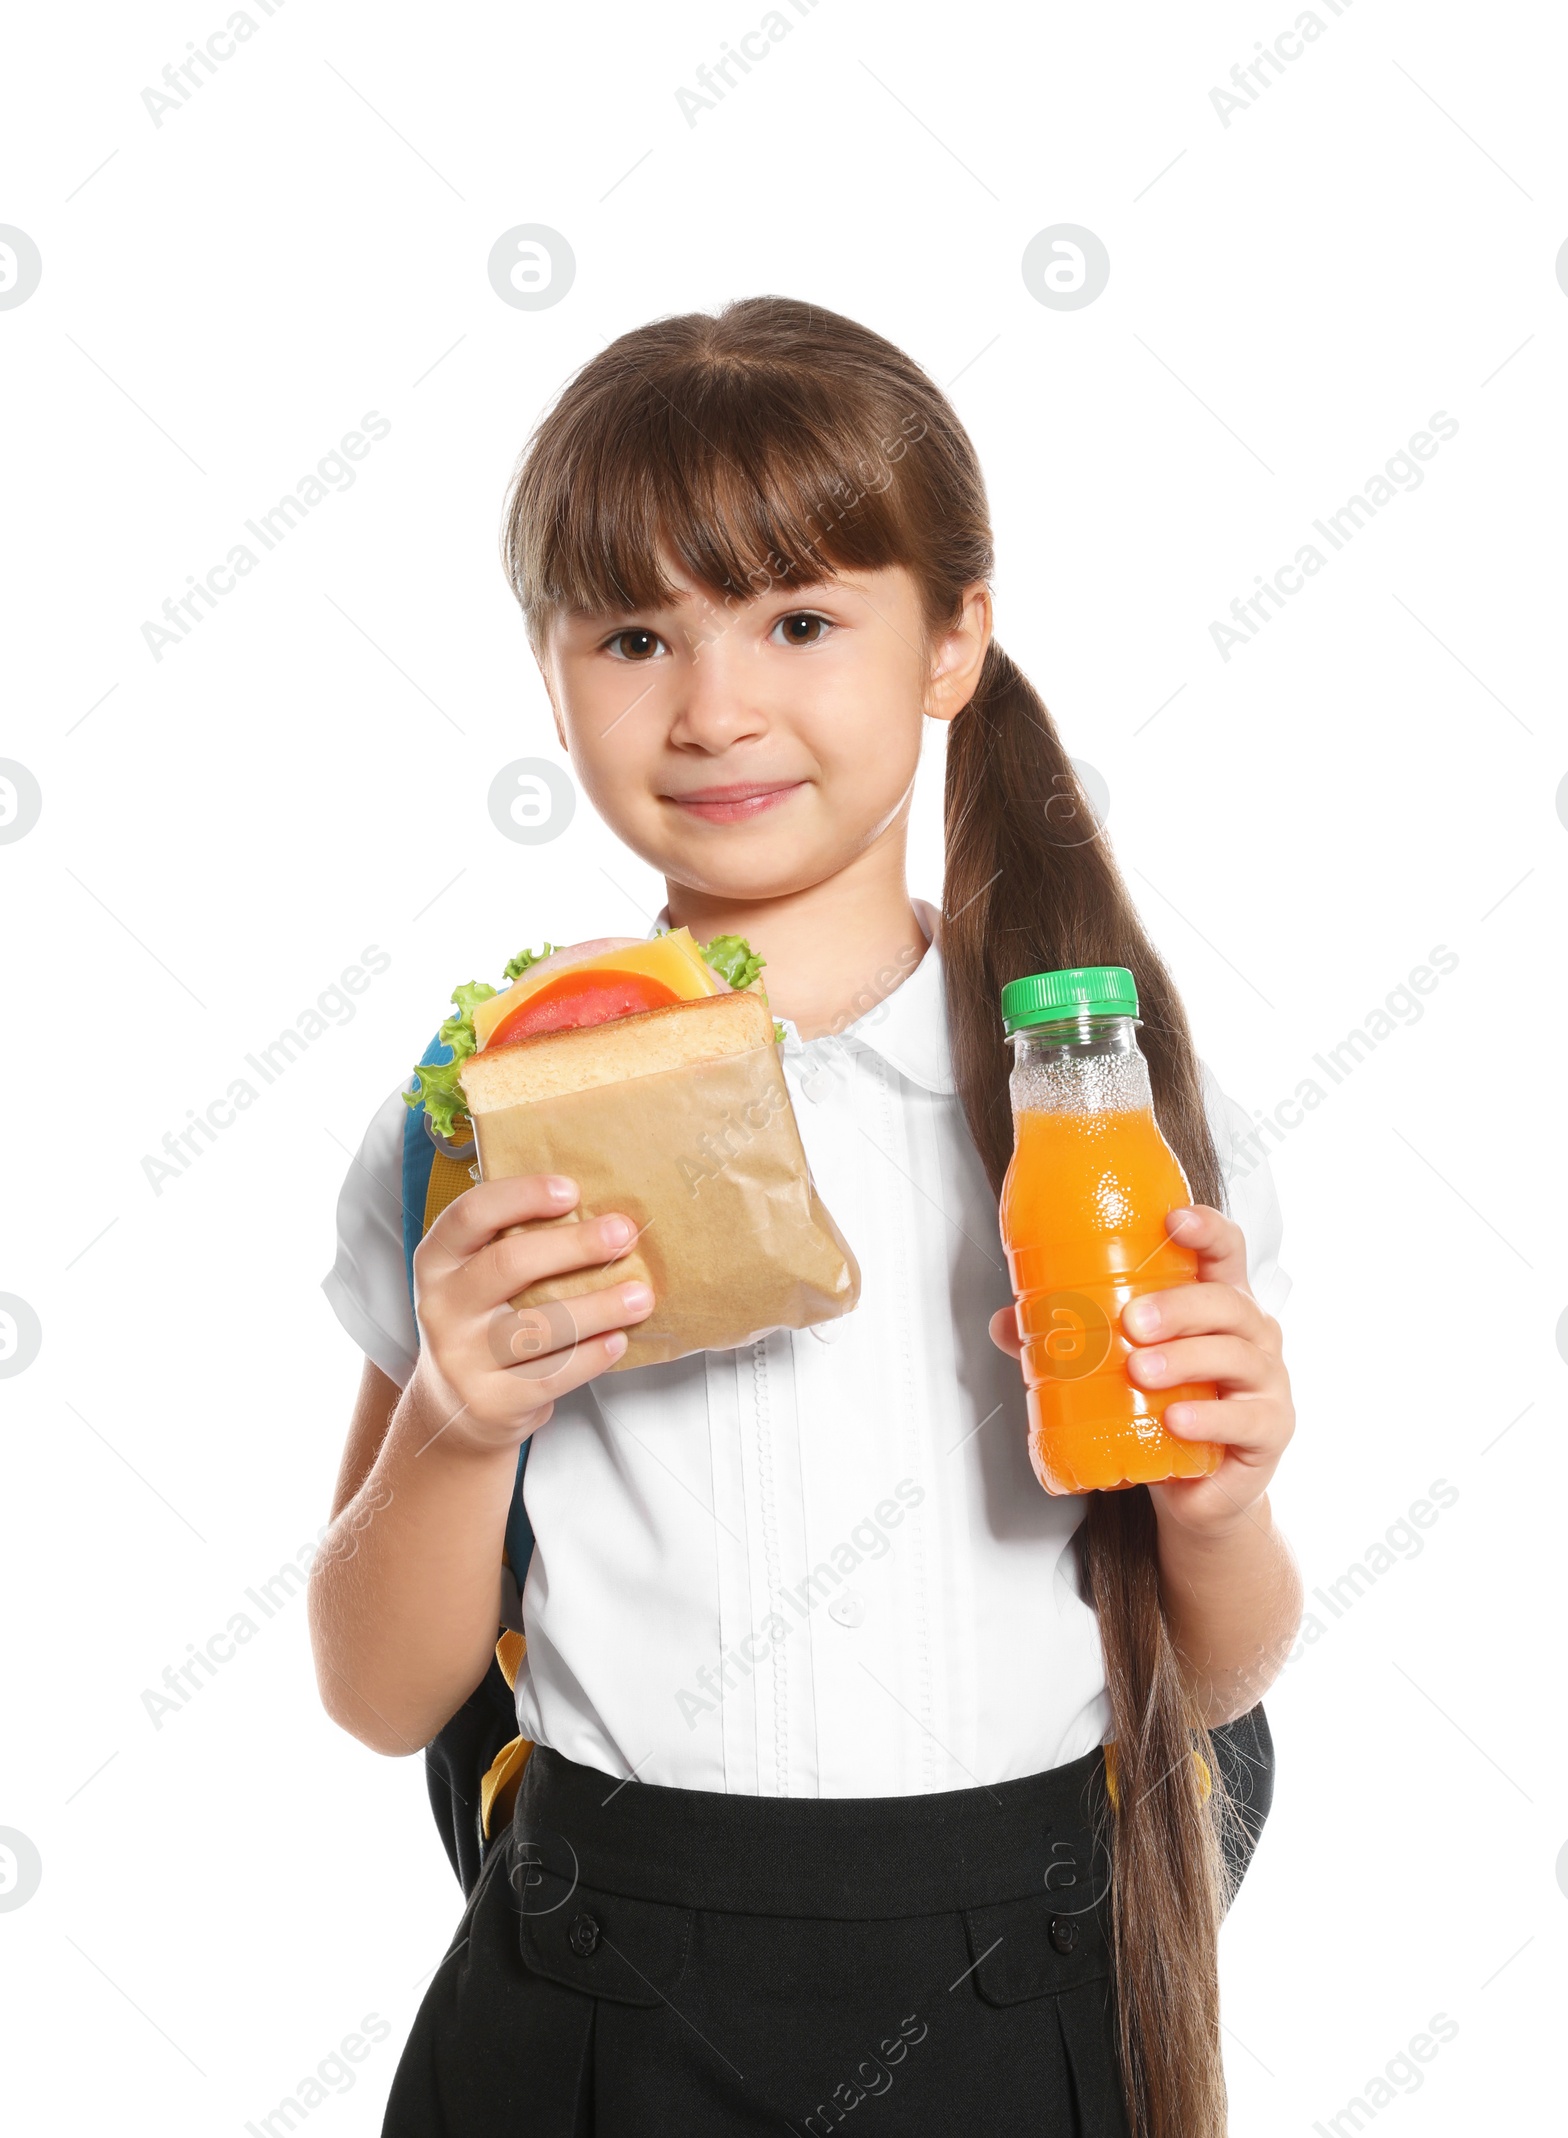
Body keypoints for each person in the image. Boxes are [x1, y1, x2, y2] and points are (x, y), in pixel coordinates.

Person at [309, 296, 1300, 2138]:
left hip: (1024, 1983)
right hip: (592, 2002)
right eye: (632, 633)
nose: (713, 706)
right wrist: (459, 1423)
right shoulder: (474, 1124)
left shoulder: (1103, 1115)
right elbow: (379, 1692)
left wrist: (1221, 1500)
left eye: (802, 620)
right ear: (550, 677)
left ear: (953, 645)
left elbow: (1215, 1668)